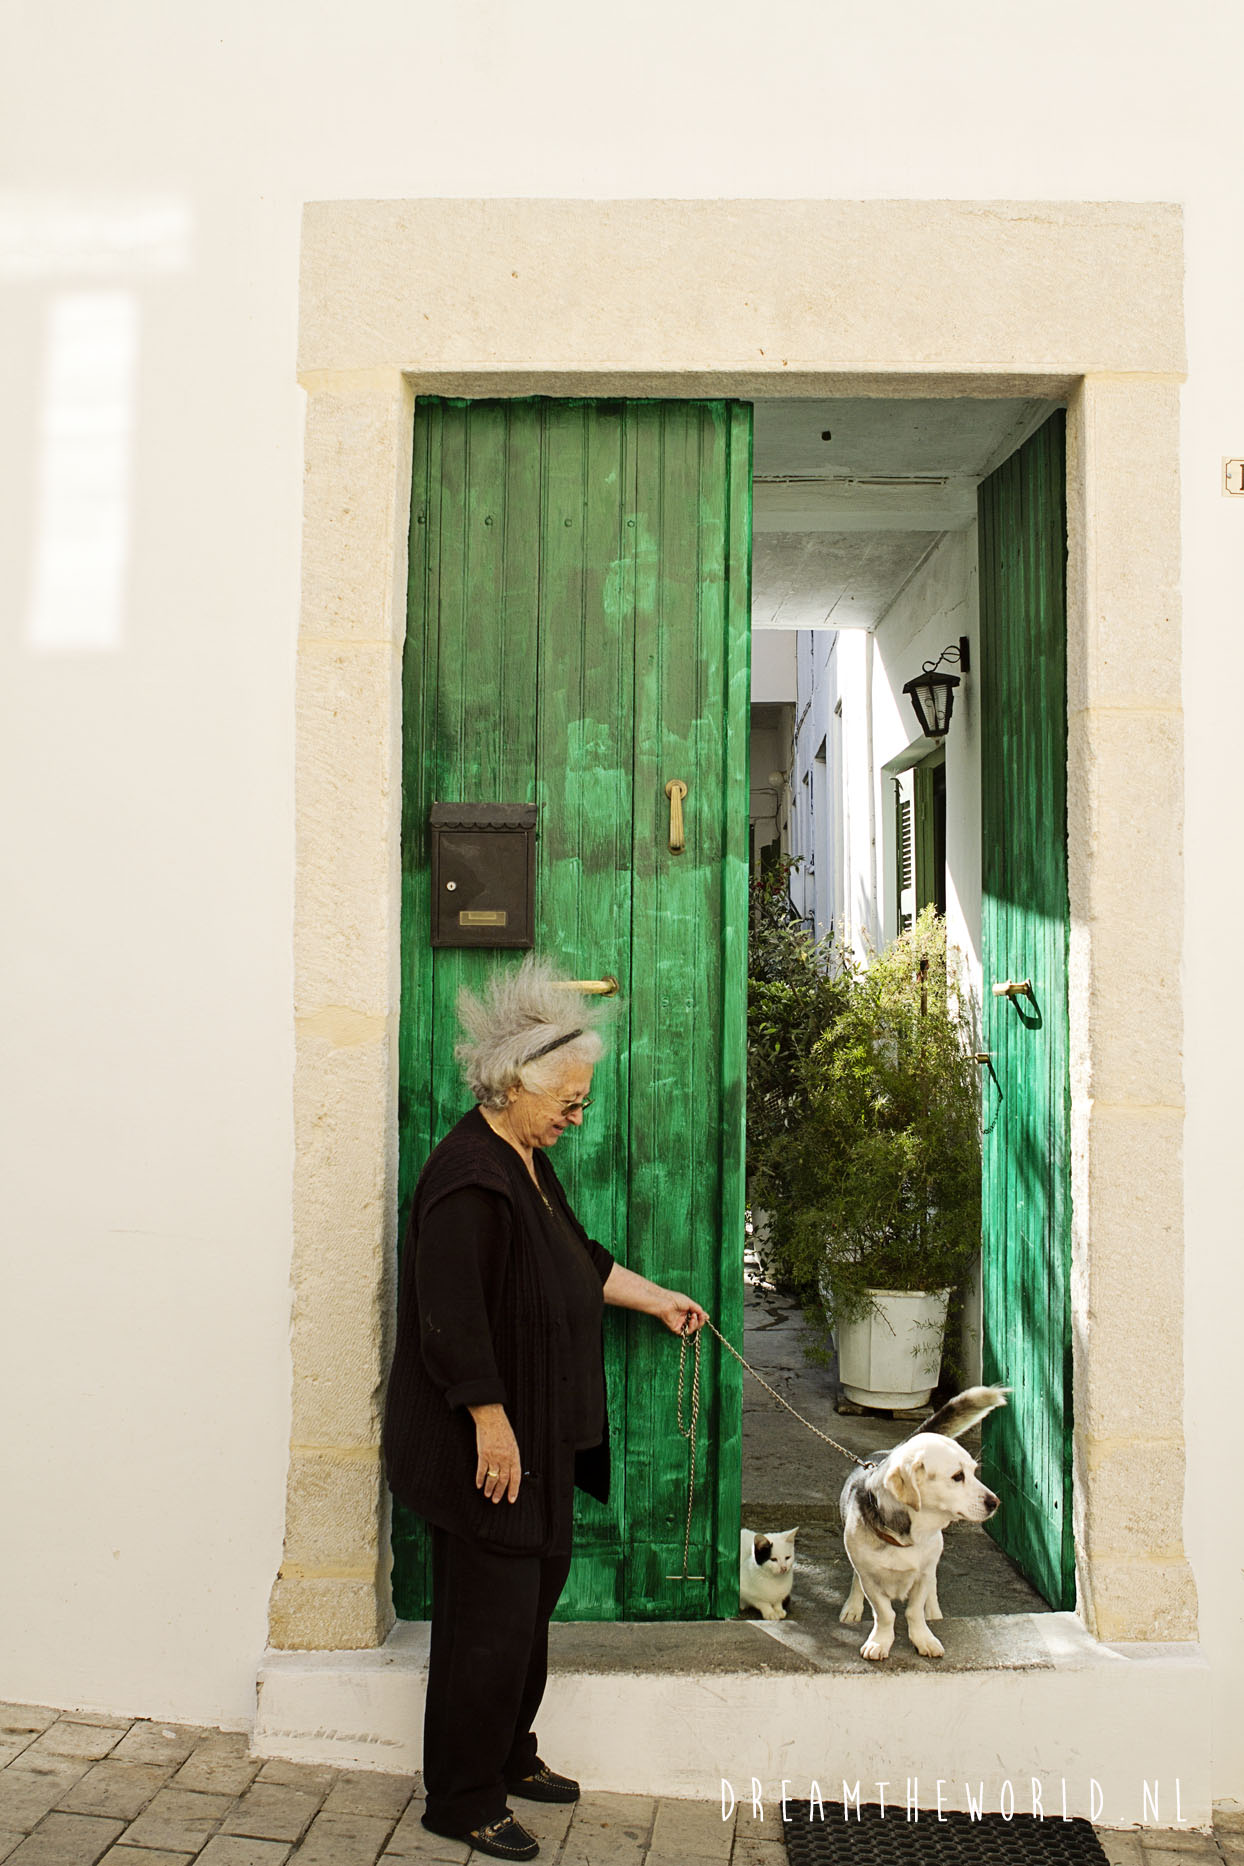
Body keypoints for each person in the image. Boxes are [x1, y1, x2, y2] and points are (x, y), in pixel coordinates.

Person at [382, 956, 707, 1863]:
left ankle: (510, 1755)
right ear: (513, 1085)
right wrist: (489, 1422)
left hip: (543, 1442)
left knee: (526, 1614)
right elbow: (450, 1319)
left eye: (584, 1098)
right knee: (486, 1624)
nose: (578, 1113)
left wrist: (658, 1299)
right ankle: (462, 1795)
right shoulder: (467, 1178)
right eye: (568, 1098)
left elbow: (580, 1259)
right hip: (492, 1448)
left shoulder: (525, 1158)